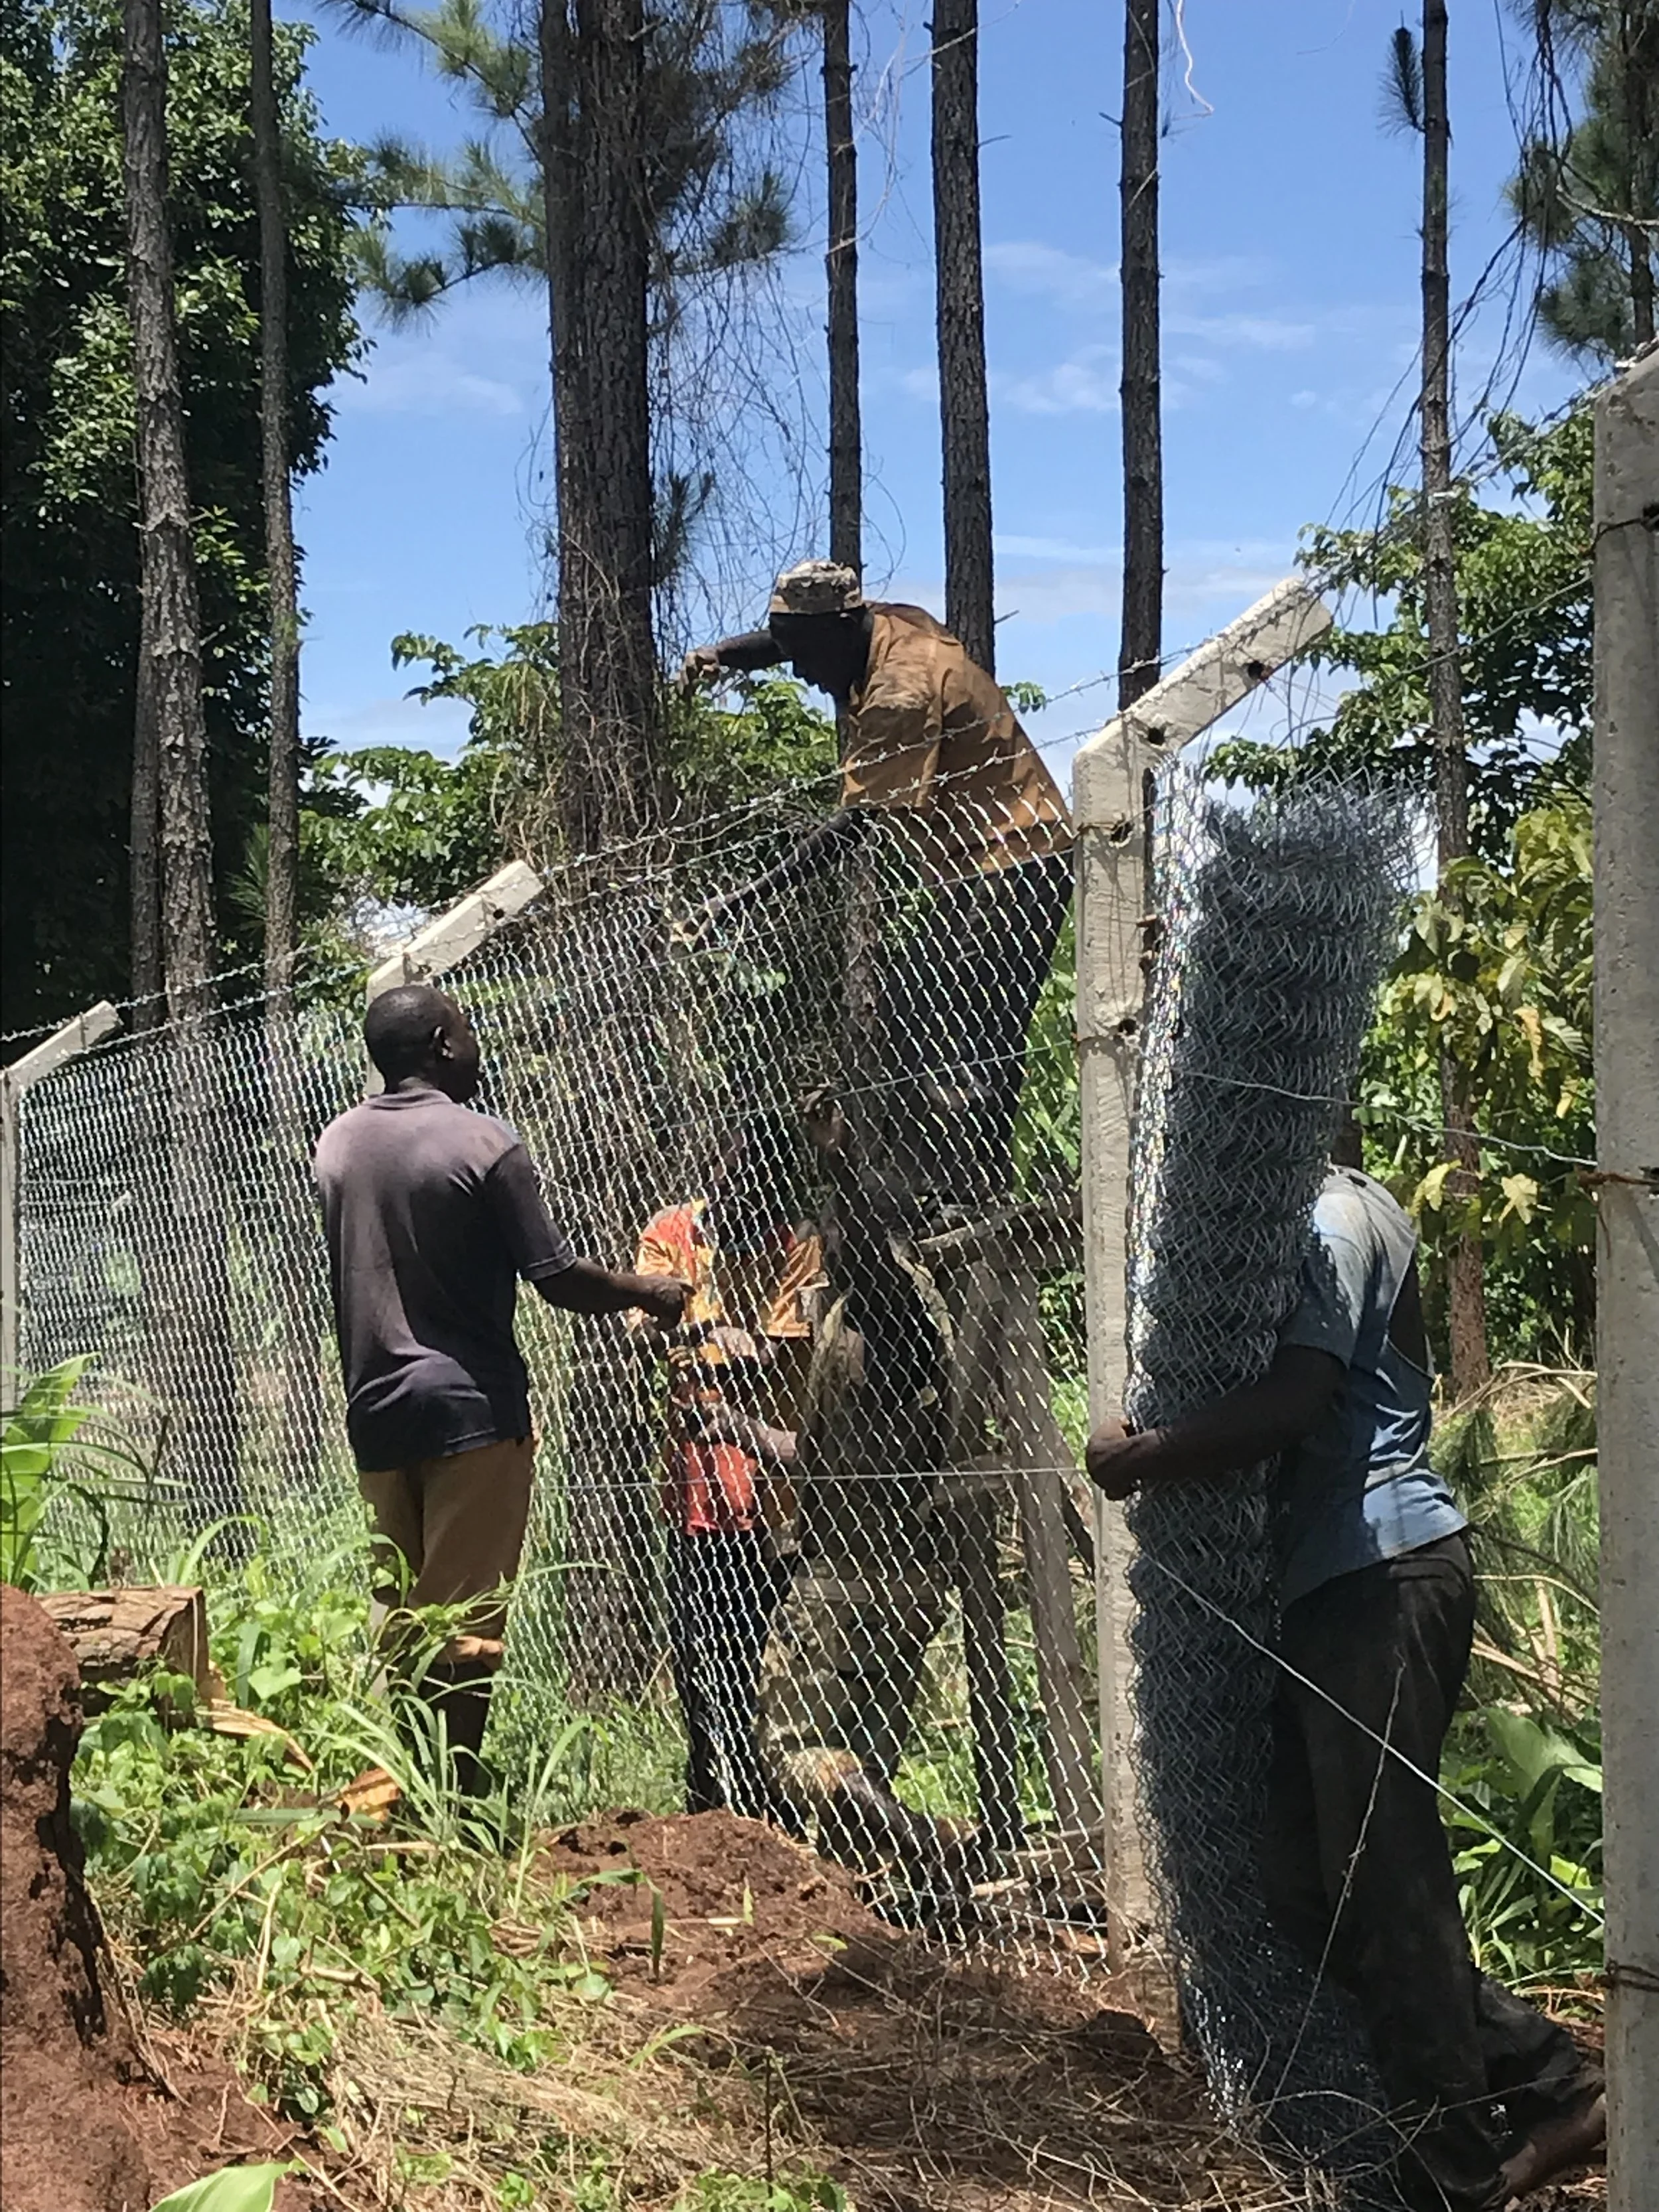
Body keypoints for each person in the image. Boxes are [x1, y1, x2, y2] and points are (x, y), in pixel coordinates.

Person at [1084, 1161, 1606, 2212]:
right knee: (1303, 1882)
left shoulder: (1333, 1216)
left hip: (1385, 1569)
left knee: (1384, 1878)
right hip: (1333, 1587)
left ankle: (1455, 2171)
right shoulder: (1293, 1226)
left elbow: (1298, 1399)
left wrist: (1148, 1456)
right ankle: (1556, 2081)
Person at [313, 984, 689, 1800]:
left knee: (404, 1615)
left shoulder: (337, 1144)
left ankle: (400, 1789)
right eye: (469, 1031)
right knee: (468, 1618)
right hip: (470, 1409)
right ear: (444, 1045)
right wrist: (646, 1292)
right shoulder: (485, 1143)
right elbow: (554, 1278)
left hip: (374, 1407)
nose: (479, 1046)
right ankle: (457, 1798)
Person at [681, 561, 1074, 1212]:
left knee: (962, 1024)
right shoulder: (883, 625)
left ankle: (970, 1192)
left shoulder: (900, 692)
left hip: (1008, 858)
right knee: (929, 1011)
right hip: (976, 859)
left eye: (806, 659)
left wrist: (744, 898)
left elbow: (858, 825)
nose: (802, 675)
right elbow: (790, 641)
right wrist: (721, 653)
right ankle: (955, 1183)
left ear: (838, 632)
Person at [628, 1119, 824, 1821]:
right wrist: (707, 1331)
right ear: (718, 1174)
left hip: (770, 1492)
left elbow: (774, 1350)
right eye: (735, 1180)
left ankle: (768, 1802)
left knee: (757, 1652)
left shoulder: (796, 1247)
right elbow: (644, 1319)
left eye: (761, 1188)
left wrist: (712, 1337)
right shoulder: (673, 1232)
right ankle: (707, 1792)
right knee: (692, 1646)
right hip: (693, 1486)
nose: (746, 1199)